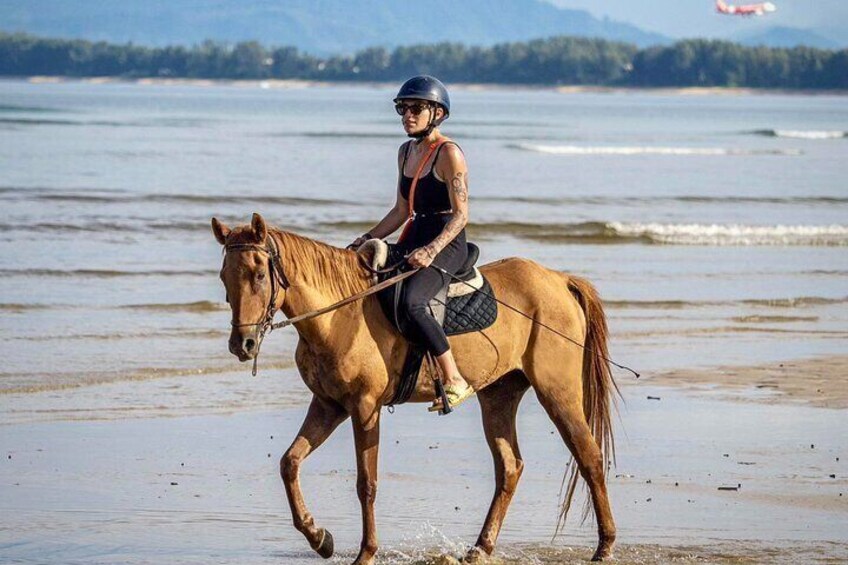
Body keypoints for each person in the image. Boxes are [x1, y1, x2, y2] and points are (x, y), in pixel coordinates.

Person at [349, 75, 474, 413]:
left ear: (438, 113)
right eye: (402, 108)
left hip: (446, 241)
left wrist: (432, 250)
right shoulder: (405, 152)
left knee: (414, 304)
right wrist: (369, 237)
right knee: (375, 286)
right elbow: (402, 210)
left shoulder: (449, 154)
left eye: (416, 108)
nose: (408, 115)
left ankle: (454, 378)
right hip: (415, 233)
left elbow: (461, 215)